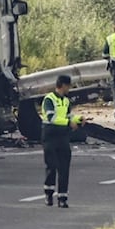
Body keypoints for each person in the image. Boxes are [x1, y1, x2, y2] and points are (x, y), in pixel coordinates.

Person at [42, 75, 85, 208]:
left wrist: (78, 119)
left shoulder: (66, 101)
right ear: (63, 85)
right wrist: (68, 123)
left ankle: (62, 197)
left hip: (63, 136)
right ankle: (49, 193)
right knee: (51, 166)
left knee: (64, 167)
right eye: (68, 86)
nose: (69, 89)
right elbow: (51, 117)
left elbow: (68, 116)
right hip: (50, 135)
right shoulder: (49, 99)